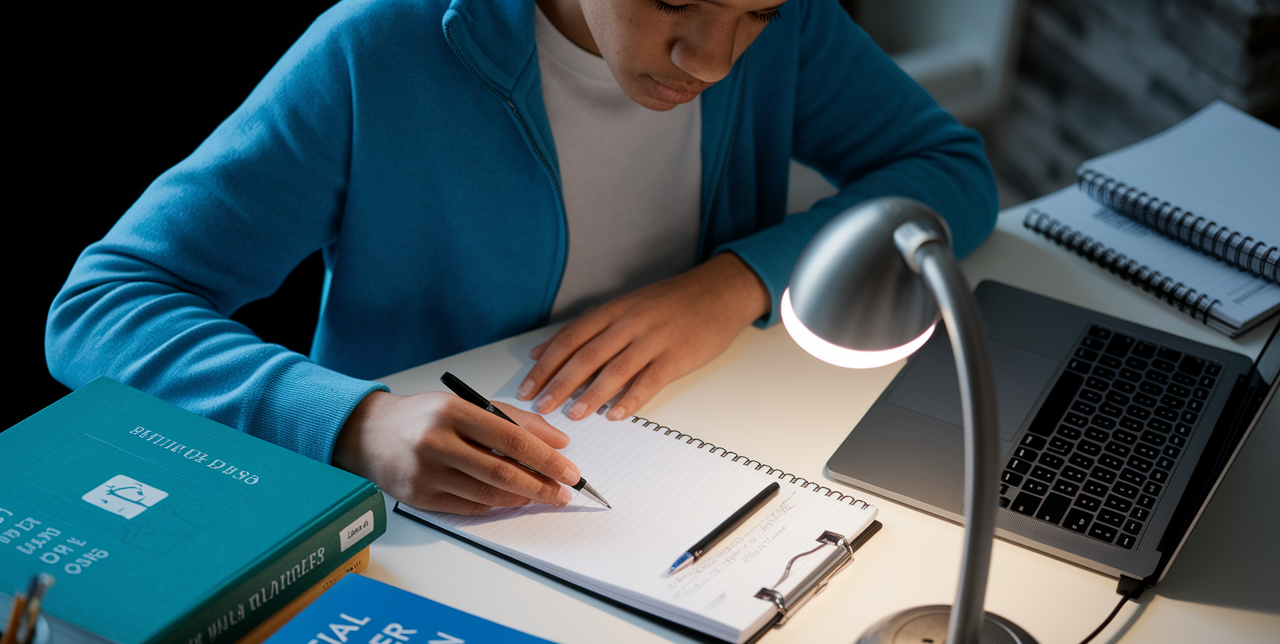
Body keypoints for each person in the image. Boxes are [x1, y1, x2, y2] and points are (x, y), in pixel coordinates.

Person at [46, 0, 998, 515]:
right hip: (412, 509)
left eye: (751, 15)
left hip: (691, 461)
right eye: (677, 1)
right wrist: (353, 424)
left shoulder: (789, 30)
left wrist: (736, 282)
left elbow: (950, 170)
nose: (712, 57)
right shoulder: (374, 52)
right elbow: (102, 307)